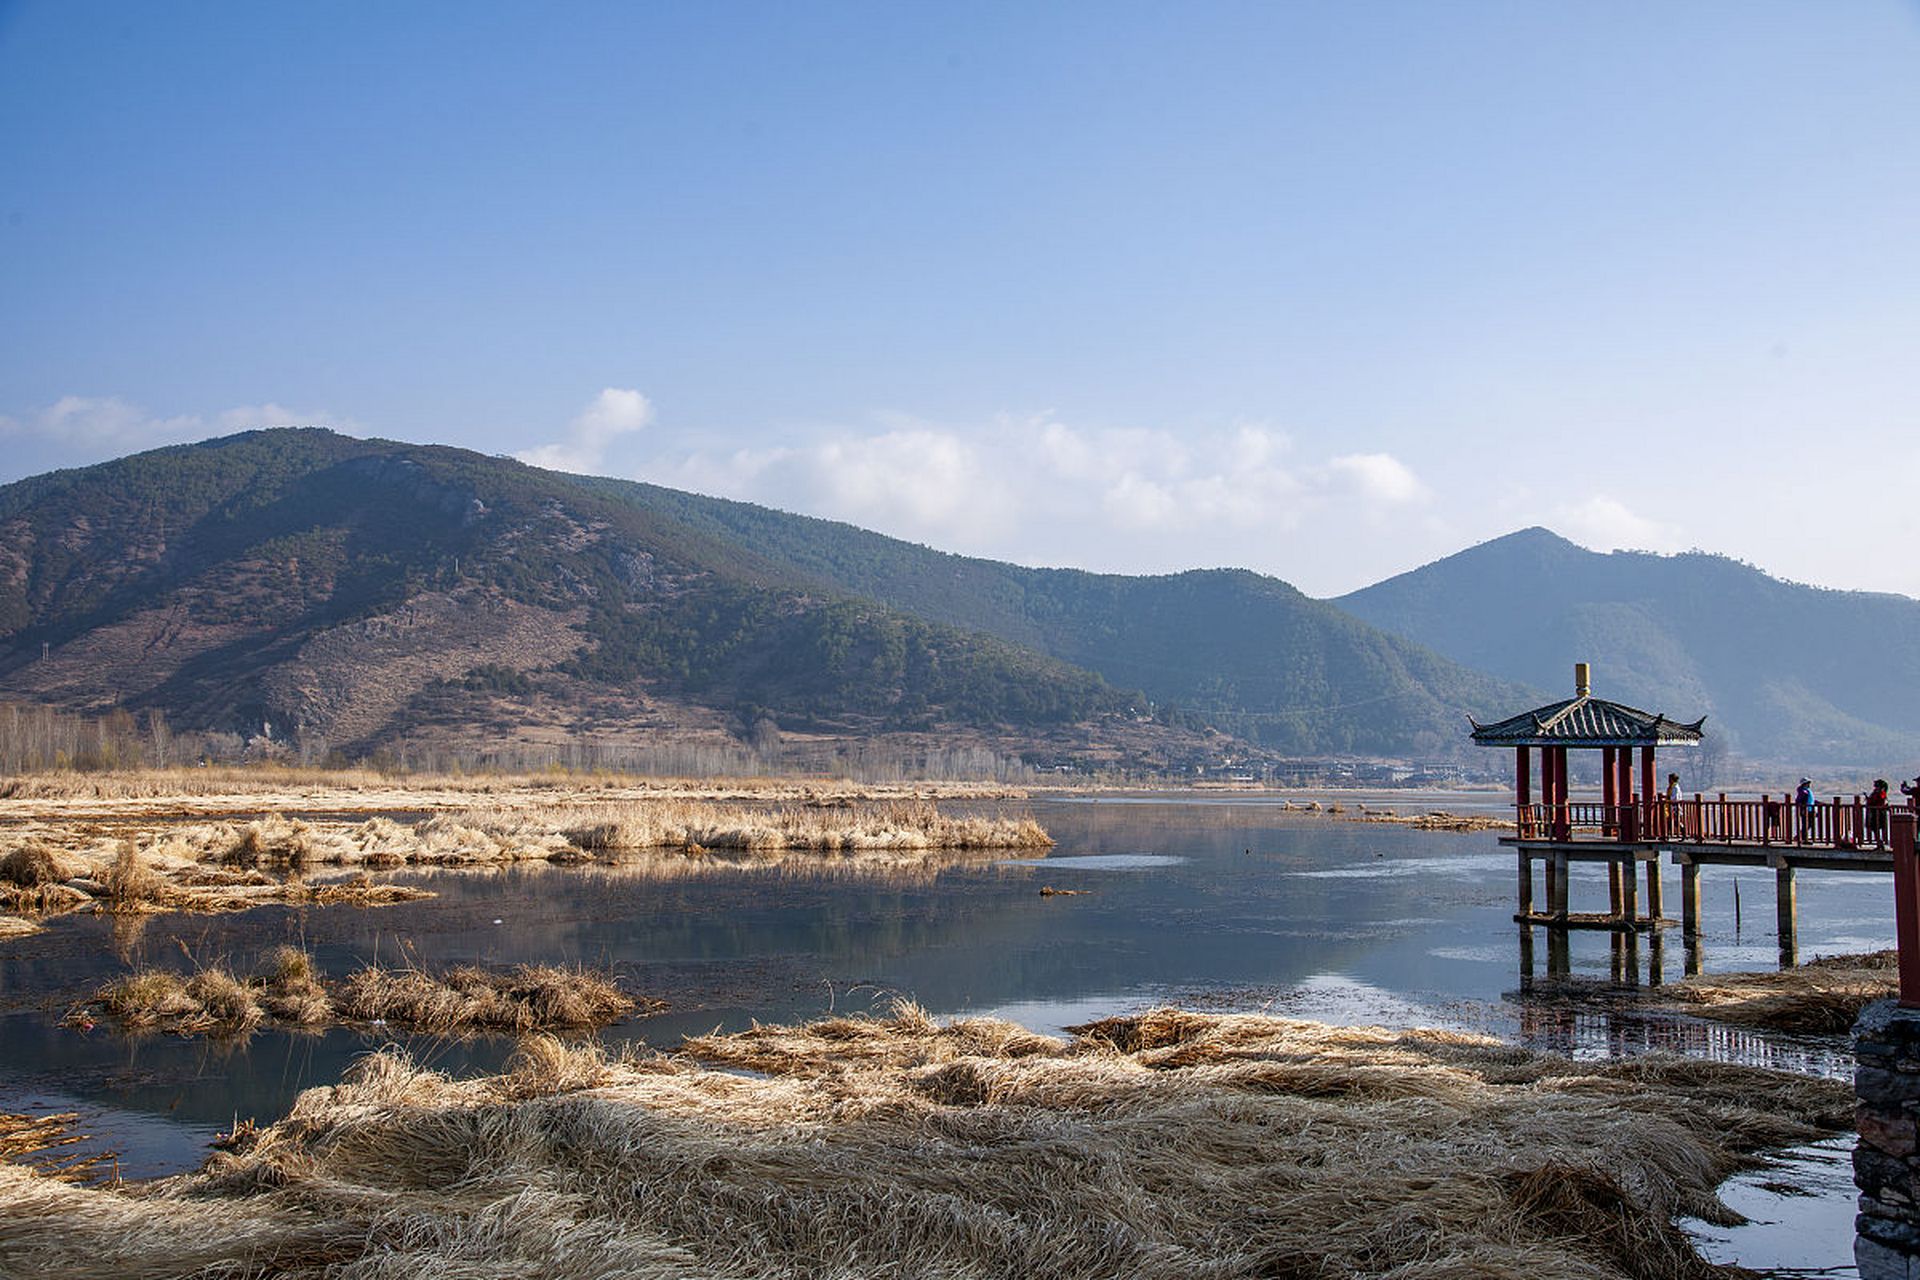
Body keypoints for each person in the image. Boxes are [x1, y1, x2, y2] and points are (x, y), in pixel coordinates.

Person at [1869, 779, 1891, 848]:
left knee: (1878, 827)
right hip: (1874, 812)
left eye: (1877, 786)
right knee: (1875, 828)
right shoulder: (1877, 793)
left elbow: (1876, 800)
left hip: (1879, 813)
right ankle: (1879, 842)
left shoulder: (1882, 793)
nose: (1876, 788)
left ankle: (1881, 843)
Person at [1795, 777, 1816, 844]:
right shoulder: (1802, 791)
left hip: (1810, 810)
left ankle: (1801, 836)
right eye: (1807, 783)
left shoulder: (1808, 791)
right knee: (1806, 825)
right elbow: (1799, 801)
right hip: (1805, 811)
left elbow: (1811, 800)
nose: (1809, 784)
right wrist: (1803, 808)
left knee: (1810, 824)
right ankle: (1803, 839)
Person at [1664, 772, 1683, 838]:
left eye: (1670, 779)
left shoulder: (1675, 787)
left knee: (1676, 820)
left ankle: (1683, 832)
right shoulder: (1671, 787)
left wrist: (1669, 799)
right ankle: (1667, 834)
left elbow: (1675, 797)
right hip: (1670, 806)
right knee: (1670, 820)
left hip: (1675, 806)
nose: (1668, 781)